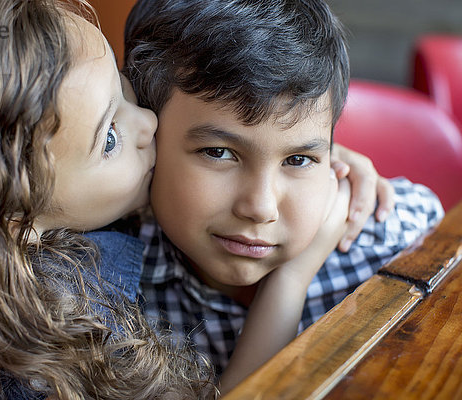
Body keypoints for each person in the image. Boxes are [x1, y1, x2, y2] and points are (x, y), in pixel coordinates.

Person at [0, 0, 214, 399]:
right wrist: (287, 288)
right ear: (18, 223)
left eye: (119, 82)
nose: (148, 121)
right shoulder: (49, 352)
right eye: (109, 139)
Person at [123, 0, 445, 391]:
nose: (260, 207)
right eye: (218, 152)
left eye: (297, 158)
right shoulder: (103, 276)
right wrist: (292, 277)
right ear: (145, 138)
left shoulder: (389, 248)